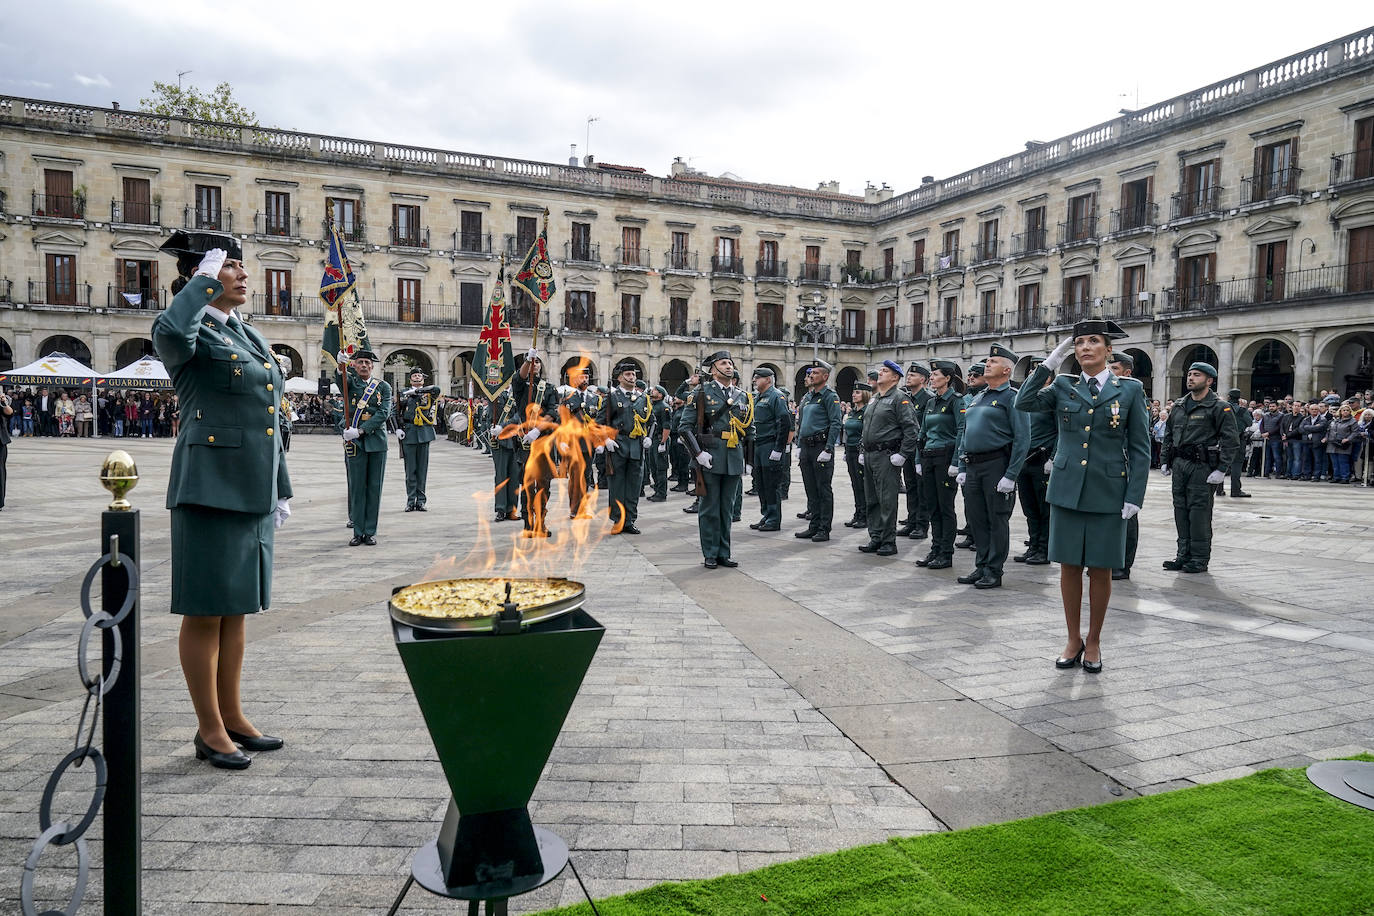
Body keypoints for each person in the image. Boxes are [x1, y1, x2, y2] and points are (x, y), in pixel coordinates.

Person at [153, 230, 292, 769]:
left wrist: (280, 485)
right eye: (229, 265)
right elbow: (170, 335)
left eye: (238, 265)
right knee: (206, 611)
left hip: (251, 484)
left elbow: (268, 417)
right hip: (209, 487)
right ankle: (209, 730)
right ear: (200, 275)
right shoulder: (185, 329)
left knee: (237, 612)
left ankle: (233, 715)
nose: (242, 273)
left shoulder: (245, 333)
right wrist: (201, 282)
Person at [1016, 320, 1150, 673]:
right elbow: (1024, 402)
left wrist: (1135, 494)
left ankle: (1094, 641)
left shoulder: (1130, 389)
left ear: (1108, 350)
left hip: (1109, 490)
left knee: (1101, 569)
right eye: (1078, 343)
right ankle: (1073, 638)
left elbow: (1140, 447)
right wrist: (1050, 361)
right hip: (1067, 488)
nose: (1084, 347)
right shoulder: (1062, 384)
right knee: (1069, 567)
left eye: (1093, 341)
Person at [955, 345, 1030, 589]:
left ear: (1007, 369)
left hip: (997, 464)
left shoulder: (1013, 397)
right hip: (974, 465)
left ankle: (994, 570)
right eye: (987, 360)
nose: (987, 364)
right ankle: (981, 565)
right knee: (977, 519)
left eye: (993, 361)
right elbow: (965, 433)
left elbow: (1022, 438)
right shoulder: (978, 397)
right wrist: (962, 466)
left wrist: (1011, 474)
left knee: (996, 519)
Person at [1160, 362, 1240, 574]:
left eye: (1196, 375)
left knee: (1199, 513)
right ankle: (1182, 555)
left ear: (1209, 380)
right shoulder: (1178, 406)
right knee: (1180, 510)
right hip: (1180, 465)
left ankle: (1199, 558)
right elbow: (1169, 435)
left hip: (1202, 466)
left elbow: (1231, 440)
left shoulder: (1219, 407)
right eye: (1189, 374)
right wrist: (1165, 459)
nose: (1191, 378)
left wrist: (1222, 469)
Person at [677, 350, 754, 569]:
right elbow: (684, 428)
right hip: (710, 456)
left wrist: (748, 460)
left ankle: (724, 552)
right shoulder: (701, 393)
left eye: (730, 362)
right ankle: (710, 552)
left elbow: (749, 429)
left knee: (727, 509)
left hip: (733, 456)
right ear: (713, 369)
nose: (729, 366)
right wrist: (698, 454)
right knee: (709, 508)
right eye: (723, 363)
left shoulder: (742, 395)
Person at [858, 360, 919, 557]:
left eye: (885, 371)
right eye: (881, 370)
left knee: (886, 500)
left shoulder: (900, 399)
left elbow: (912, 429)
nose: (880, 373)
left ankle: (888, 541)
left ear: (895, 377)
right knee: (872, 499)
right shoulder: (874, 399)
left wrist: (903, 454)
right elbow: (866, 427)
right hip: (869, 454)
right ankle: (875, 536)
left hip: (886, 455)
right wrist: (862, 449)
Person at [334, 348, 391, 546]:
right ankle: (358, 531)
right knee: (357, 488)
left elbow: (383, 413)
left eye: (367, 363)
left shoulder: (383, 387)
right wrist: (340, 367)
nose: (364, 365)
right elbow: (341, 381)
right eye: (360, 362)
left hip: (375, 441)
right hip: (355, 444)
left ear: (372, 366)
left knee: (374, 488)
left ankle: (370, 531)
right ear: (355, 366)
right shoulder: (351, 383)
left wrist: (361, 431)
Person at [914, 360, 964, 569]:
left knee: (945, 507)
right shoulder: (932, 402)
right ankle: (935, 548)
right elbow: (922, 432)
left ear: (947, 378)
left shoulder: (955, 400)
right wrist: (918, 459)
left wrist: (956, 462)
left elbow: (962, 430)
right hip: (928, 456)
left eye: (935, 375)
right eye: (931, 375)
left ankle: (946, 552)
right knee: (932, 506)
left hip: (945, 457)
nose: (932, 378)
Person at [598, 359, 651, 534]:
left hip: (636, 445)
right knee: (618, 486)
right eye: (628, 374)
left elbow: (652, 421)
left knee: (634, 486)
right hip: (618, 445)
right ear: (619, 378)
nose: (632, 377)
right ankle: (618, 520)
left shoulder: (643, 398)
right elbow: (599, 423)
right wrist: (605, 440)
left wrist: (648, 437)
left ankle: (630, 520)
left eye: (634, 374)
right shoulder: (612, 397)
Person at [511, 347, 560, 537]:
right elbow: (519, 377)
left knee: (544, 484)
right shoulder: (521, 386)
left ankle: (541, 520)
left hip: (544, 441)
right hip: (525, 443)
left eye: (537, 361)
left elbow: (553, 412)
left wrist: (538, 430)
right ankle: (527, 522)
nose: (535, 364)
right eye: (532, 362)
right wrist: (527, 360)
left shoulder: (549, 388)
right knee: (527, 484)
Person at [794, 360, 843, 542]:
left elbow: (836, 423)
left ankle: (824, 528)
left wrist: (829, 448)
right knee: (810, 489)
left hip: (821, 447)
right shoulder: (807, 397)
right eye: (810, 373)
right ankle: (813, 525)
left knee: (823, 489)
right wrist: (799, 445)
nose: (811, 376)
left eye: (815, 373)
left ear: (825, 376)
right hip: (806, 447)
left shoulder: (830, 396)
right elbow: (802, 423)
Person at [1014, 358, 1055, 568]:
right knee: (1029, 507)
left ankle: (1044, 548)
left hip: (1042, 458)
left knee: (1043, 508)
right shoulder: (1028, 400)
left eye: (1037, 372)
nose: (1032, 373)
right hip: (1025, 459)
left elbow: (1061, 432)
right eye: (1031, 371)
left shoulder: (1051, 400)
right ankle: (1034, 544)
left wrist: (1053, 458)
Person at [1107, 352, 1140, 580]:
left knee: (1126, 518)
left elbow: (1139, 441)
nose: (1109, 372)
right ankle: (1106, 560)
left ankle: (1123, 564)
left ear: (1127, 373)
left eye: (1115, 369)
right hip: (1106, 465)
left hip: (1124, 463)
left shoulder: (1131, 394)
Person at [749, 367, 792, 532]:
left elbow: (784, 422)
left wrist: (779, 448)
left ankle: (774, 519)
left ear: (768, 379)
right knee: (760, 483)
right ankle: (766, 515)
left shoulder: (776, 396)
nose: (754, 380)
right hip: (759, 445)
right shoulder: (758, 397)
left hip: (770, 445)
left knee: (771, 483)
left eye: (758, 378)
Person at [397, 367, 440, 512]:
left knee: (422, 470)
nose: (416, 377)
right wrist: (397, 428)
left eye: (419, 376)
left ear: (423, 379)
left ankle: (421, 501)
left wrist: (417, 392)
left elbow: (437, 389)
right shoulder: (403, 393)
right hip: (408, 432)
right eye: (414, 376)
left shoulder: (429, 393)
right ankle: (410, 501)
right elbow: (395, 411)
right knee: (410, 470)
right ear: (410, 380)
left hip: (423, 432)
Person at [898, 363, 932, 540]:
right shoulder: (907, 398)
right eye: (908, 374)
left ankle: (921, 525)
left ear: (923, 379)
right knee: (911, 486)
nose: (908, 377)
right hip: (908, 449)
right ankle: (911, 521)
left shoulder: (928, 399)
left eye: (913, 375)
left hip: (923, 450)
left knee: (922, 489)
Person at [489, 386, 524, 522]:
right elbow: (493, 414)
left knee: (515, 476)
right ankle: (501, 509)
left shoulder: (519, 392)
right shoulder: (495, 393)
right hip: (501, 440)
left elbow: (519, 414)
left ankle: (512, 509)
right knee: (501, 476)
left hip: (516, 439)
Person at [841, 384, 870, 530]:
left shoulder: (867, 412)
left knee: (862, 485)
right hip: (850, 450)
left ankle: (865, 515)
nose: (854, 395)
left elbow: (866, 432)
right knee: (855, 484)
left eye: (857, 392)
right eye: (853, 392)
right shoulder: (852, 412)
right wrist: (846, 451)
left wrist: (862, 452)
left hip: (860, 451)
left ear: (865, 394)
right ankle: (858, 513)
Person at [1221, 388, 1251, 497]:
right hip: (1238, 439)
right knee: (1236, 465)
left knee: (1222, 464)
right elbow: (1249, 422)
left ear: (1229, 397)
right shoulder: (1243, 410)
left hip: (1224, 439)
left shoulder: (1222, 408)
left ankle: (1219, 490)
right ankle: (1235, 490)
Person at [646, 385, 671, 502]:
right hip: (653, 440)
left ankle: (662, 493)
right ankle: (657, 490)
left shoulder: (664, 407)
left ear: (660, 394)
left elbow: (667, 426)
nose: (652, 391)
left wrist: (663, 442)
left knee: (661, 468)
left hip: (660, 439)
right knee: (653, 467)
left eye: (655, 390)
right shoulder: (652, 406)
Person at [0, 389, 11, 510]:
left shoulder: (1, 400)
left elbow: (9, 412)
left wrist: (4, 402)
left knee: (0, 471)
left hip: (0, 440)